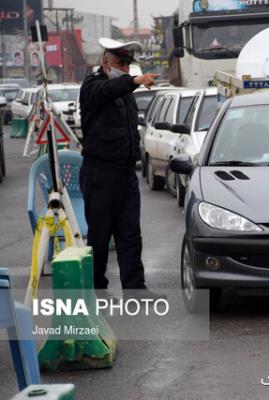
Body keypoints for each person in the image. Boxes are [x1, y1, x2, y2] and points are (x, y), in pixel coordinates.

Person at [79, 38, 162, 298]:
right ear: (105, 62)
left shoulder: (123, 91)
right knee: (100, 236)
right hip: (100, 173)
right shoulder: (93, 86)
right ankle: (97, 290)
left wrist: (130, 83)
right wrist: (134, 81)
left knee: (130, 234)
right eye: (120, 63)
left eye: (128, 64)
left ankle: (135, 288)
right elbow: (107, 91)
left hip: (126, 173)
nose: (125, 68)